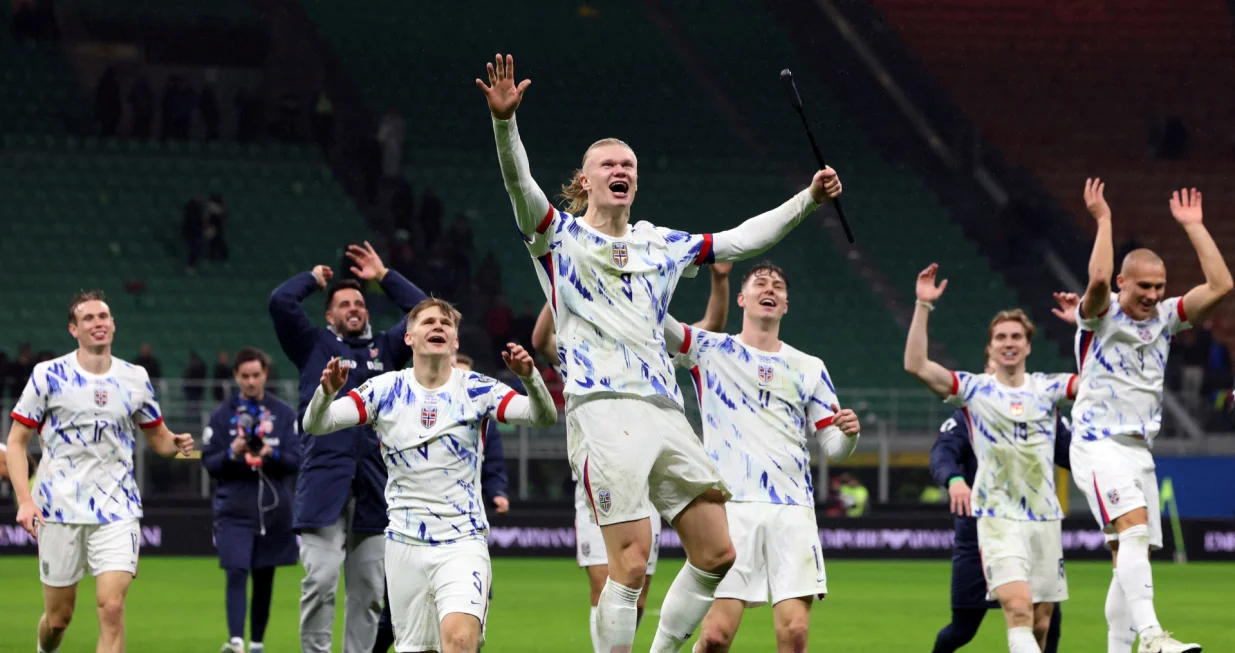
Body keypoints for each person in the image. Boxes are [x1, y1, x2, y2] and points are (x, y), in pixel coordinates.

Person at [479, 53, 842, 652]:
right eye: (608, 164)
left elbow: (740, 238)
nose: (620, 170)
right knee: (631, 559)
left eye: (628, 164)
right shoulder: (558, 237)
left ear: (635, 181)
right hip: (602, 408)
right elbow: (520, 186)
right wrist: (504, 124)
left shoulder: (660, 245)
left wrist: (806, 200)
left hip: (664, 411)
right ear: (586, 180)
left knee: (717, 552)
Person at [303, 298, 557, 653]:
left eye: (445, 323)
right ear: (409, 338)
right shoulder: (384, 389)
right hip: (404, 545)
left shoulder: (477, 388)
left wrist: (530, 378)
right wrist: (325, 393)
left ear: (454, 341)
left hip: (462, 542)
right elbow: (316, 423)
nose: (437, 327)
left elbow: (542, 417)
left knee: (460, 640)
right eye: (427, 322)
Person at [531, 262, 733, 653]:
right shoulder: (580, 346)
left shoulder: (648, 348)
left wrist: (719, 279)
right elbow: (542, 340)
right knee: (609, 577)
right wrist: (562, 279)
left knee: (637, 589)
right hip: (600, 472)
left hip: (646, 478)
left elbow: (707, 329)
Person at [662, 262, 862, 653]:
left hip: (793, 510)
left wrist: (849, 437)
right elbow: (661, 326)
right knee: (716, 636)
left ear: (785, 304)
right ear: (742, 299)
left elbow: (833, 448)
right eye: (760, 283)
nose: (770, 289)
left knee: (795, 635)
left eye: (778, 286)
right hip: (731, 508)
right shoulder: (711, 349)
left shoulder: (810, 367)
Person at [1068, 180, 1230, 653]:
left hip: (1139, 451)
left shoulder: (1166, 317)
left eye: (1159, 287)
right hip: (1098, 442)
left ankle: (1120, 649)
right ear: (1124, 282)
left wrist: (1195, 228)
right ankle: (1154, 636)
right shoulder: (1099, 318)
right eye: (1144, 286)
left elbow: (1221, 286)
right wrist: (1103, 219)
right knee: (1134, 531)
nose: (1152, 295)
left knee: (1128, 554)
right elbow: (1097, 282)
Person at [5, 290, 194, 653]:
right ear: (73, 329)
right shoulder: (48, 375)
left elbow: (158, 439)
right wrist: (25, 501)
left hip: (117, 509)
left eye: (103, 317)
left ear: (113, 325)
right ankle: (46, 648)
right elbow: (16, 442)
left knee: (112, 607)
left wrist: (177, 444)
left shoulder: (135, 377)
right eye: (88, 318)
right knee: (59, 619)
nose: (98, 323)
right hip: (57, 510)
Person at [904, 265, 1075, 653]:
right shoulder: (974, 391)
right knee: (1016, 610)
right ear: (992, 347)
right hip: (995, 518)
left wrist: (1088, 323)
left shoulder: (1048, 390)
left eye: (1016, 336)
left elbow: (1095, 383)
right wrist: (922, 305)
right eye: (1001, 337)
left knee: (1042, 621)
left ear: (1028, 345)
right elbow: (916, 366)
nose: (1009, 342)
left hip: (1044, 516)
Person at [268, 241, 428, 653]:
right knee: (320, 581)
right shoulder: (311, 345)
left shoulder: (388, 350)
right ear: (329, 314)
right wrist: (313, 280)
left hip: (375, 486)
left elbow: (427, 312)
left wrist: (384, 276)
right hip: (323, 482)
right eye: (343, 304)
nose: (353, 309)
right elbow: (281, 302)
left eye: (359, 303)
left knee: (371, 592)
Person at [929, 344, 1074, 653]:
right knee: (961, 631)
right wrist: (954, 479)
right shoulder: (969, 414)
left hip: (1034, 527)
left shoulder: (1042, 414)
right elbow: (943, 453)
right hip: (981, 532)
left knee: (1044, 623)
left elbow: (1071, 454)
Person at [370, 350, 510, 653]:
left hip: (461, 532)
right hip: (409, 536)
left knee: (461, 634)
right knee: (399, 626)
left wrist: (497, 491)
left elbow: (493, 462)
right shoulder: (404, 408)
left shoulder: (481, 415)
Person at [202, 347, 302, 653]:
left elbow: (296, 460)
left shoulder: (284, 414)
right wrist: (233, 452)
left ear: (265, 375)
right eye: (244, 376)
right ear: (236, 376)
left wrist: (272, 454)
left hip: (273, 510)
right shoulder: (220, 416)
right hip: (234, 507)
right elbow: (209, 462)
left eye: (256, 375)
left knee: (264, 576)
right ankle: (235, 642)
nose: (250, 381)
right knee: (236, 570)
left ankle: (256, 643)